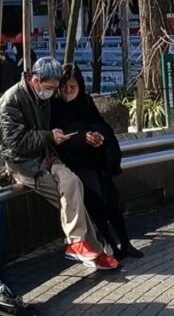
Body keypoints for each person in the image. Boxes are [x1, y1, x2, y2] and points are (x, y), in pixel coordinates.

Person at [0, 57, 118, 270]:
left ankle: (79, 245)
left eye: (55, 88)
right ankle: (91, 249)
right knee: (70, 201)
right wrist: (49, 137)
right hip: (24, 163)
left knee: (73, 184)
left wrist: (53, 140)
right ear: (35, 80)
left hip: (46, 156)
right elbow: (15, 142)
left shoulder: (43, 97)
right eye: (49, 87)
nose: (53, 92)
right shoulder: (11, 100)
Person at [51, 65, 143, 260]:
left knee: (112, 201)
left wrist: (99, 138)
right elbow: (58, 138)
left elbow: (100, 124)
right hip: (75, 163)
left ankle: (125, 243)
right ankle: (110, 244)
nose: (68, 91)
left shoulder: (85, 101)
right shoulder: (54, 106)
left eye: (73, 87)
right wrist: (83, 138)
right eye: (65, 87)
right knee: (96, 205)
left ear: (79, 86)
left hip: (94, 159)